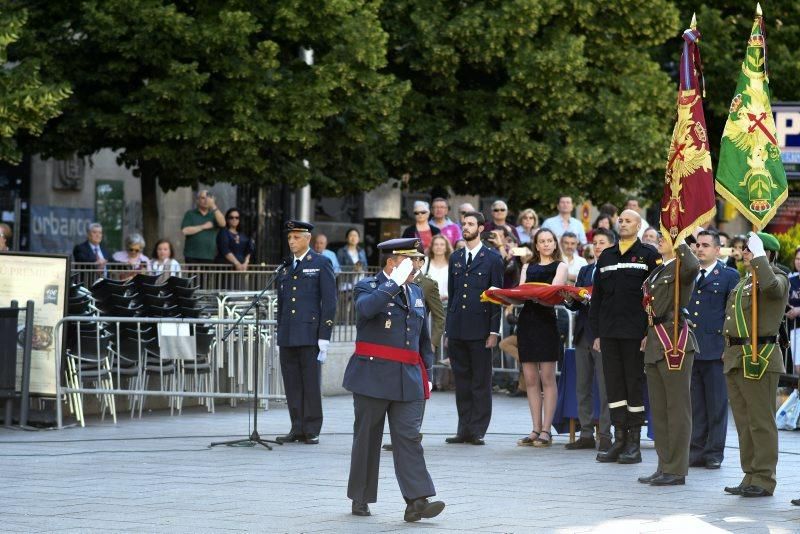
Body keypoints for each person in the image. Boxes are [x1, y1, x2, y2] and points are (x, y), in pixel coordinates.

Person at [343, 237, 445, 522]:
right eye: (410, 259)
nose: (416, 265)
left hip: (408, 377)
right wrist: (392, 284)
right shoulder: (369, 286)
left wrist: (428, 374)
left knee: (409, 438)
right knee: (367, 438)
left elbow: (423, 339)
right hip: (372, 376)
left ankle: (417, 501)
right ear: (392, 262)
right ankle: (360, 497)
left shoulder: (415, 291)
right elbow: (365, 310)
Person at [590, 209, 660, 464]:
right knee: (614, 385)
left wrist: (648, 332)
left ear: (639, 225)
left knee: (633, 384)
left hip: (634, 333)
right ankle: (618, 439)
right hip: (609, 332)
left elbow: (653, 298)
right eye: (620, 220)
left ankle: (634, 442)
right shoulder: (606, 256)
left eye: (628, 220)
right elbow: (597, 297)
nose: (622, 223)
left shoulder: (649, 256)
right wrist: (595, 332)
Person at [722, 232, 788, 498]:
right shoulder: (743, 282)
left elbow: (773, 288)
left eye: (751, 249)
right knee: (744, 421)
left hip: (759, 355)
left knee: (761, 421)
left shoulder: (776, 278)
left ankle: (764, 478)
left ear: (767, 252)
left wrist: (761, 258)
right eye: (747, 249)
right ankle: (749, 474)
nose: (745, 252)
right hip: (738, 354)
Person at [637, 231, 699, 487]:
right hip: (656, 339)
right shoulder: (660, 270)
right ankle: (664, 464)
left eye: (665, 236)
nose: (661, 239)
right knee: (659, 410)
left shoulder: (683, 267)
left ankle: (676, 468)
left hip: (674, 341)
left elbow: (694, 266)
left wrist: (680, 239)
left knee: (676, 408)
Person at [444, 211, 504, 445]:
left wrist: (493, 331)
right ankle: (464, 428)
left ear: (481, 228)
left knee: (480, 381)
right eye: (464, 224)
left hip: (480, 329)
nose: (465, 227)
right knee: (462, 381)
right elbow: (454, 295)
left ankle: (478, 429)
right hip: (458, 327)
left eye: (470, 224)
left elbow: (496, 297)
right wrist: (449, 331)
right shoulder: (456, 257)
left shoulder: (492, 258)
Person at [275, 220, 337, 445]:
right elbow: (282, 303)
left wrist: (324, 335)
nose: (291, 241)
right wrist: (278, 331)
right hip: (288, 333)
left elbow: (329, 302)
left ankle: (311, 428)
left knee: (310, 383)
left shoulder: (321, 263)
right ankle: (296, 426)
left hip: (310, 334)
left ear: (308, 238)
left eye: (296, 237)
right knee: (291, 383)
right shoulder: (285, 267)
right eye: (289, 237)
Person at [688, 231, 739, 470]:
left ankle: (714, 452)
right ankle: (696, 449)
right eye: (698, 245)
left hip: (716, 347)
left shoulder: (729, 276)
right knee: (696, 403)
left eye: (706, 245)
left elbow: (733, 314)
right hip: (691, 347)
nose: (700, 249)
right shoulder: (689, 274)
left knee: (717, 403)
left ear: (718, 250)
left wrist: (728, 346)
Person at [515, 228, 568, 448]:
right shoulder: (528, 265)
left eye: (549, 241)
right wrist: (530, 294)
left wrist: (532, 293)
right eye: (541, 241)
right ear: (536, 245)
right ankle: (535, 428)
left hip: (546, 322)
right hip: (527, 321)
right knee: (530, 378)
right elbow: (520, 291)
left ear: (555, 244)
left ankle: (547, 430)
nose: (546, 244)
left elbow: (552, 293)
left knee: (547, 377)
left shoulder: (561, 266)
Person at [563, 228, 615, 452]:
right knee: (582, 386)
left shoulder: (613, 270)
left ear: (612, 245)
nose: (597, 246)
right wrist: (569, 299)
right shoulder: (585, 269)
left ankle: (605, 434)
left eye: (602, 242)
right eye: (595, 243)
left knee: (605, 387)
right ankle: (585, 433)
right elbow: (576, 304)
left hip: (603, 335)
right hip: (584, 333)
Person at [181, 189, 225, 264]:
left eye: (208, 198)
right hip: (192, 255)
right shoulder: (190, 214)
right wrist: (203, 226)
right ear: (197, 200)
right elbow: (185, 231)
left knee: (205, 276)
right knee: (192, 276)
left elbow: (223, 224)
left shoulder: (214, 215)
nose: (206, 200)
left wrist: (213, 205)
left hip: (209, 255)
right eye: (203, 198)